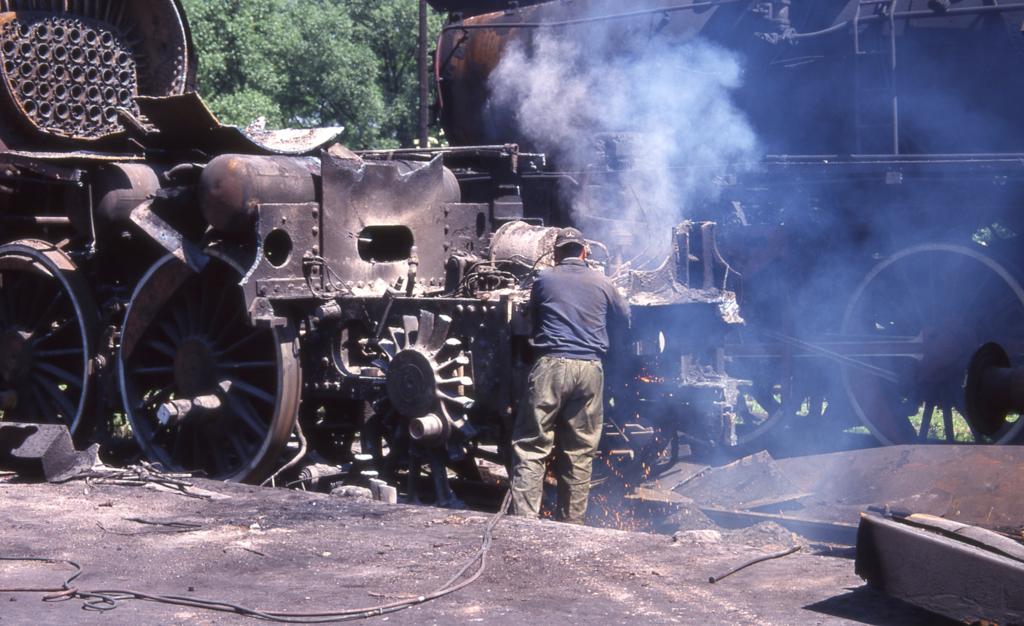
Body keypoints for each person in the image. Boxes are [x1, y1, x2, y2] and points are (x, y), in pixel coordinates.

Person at [510, 227, 630, 524]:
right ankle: (572, 525)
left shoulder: (544, 279)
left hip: (551, 366)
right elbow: (625, 318)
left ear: (555, 254)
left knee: (532, 445)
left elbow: (531, 314)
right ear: (584, 252)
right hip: (589, 368)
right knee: (580, 451)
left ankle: (523, 521)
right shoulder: (604, 282)